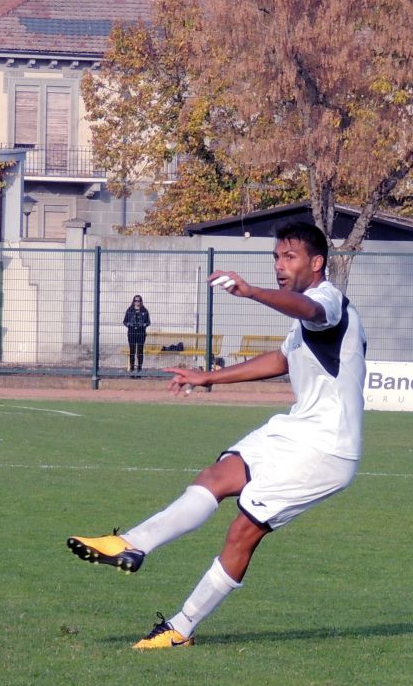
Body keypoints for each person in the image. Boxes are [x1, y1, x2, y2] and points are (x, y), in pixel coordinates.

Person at [68, 222, 366, 648]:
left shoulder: (328, 301)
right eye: (276, 257)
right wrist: (208, 377)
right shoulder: (305, 315)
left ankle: (180, 628)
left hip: (327, 449)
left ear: (317, 263)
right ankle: (130, 543)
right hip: (297, 429)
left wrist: (254, 293)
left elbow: (310, 311)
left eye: (290, 257)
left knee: (243, 531)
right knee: (216, 476)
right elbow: (280, 360)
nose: (280, 266)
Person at [123, 294, 150, 376]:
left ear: (141, 302)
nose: (137, 302)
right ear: (133, 301)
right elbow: (124, 321)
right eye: (135, 300)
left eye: (138, 301)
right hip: (131, 333)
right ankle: (132, 367)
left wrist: (144, 325)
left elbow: (148, 322)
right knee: (132, 351)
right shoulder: (130, 310)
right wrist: (129, 324)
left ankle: (139, 367)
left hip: (141, 333)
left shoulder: (144, 311)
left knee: (140, 351)